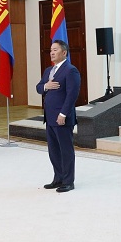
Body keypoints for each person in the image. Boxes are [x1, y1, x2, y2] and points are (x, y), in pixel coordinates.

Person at [35, 39, 81, 193]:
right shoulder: (49, 70)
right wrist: (45, 86)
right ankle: (58, 178)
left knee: (65, 150)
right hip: (50, 118)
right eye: (51, 50)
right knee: (54, 151)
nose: (52, 53)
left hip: (62, 117)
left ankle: (68, 181)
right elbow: (38, 88)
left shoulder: (71, 70)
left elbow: (72, 95)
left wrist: (63, 113)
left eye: (55, 50)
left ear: (64, 52)